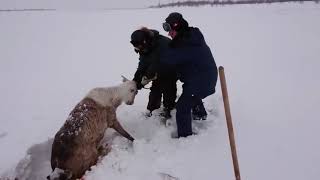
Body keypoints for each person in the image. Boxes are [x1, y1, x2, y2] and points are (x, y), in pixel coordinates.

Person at [161, 12, 218, 138]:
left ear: (178, 27)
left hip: (203, 80)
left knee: (182, 106)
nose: (169, 33)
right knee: (191, 94)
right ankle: (200, 115)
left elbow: (169, 59)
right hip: (200, 78)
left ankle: (185, 138)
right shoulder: (189, 36)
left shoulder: (187, 42)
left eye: (170, 30)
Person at [130, 27, 177, 118]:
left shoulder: (162, 43)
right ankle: (152, 110)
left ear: (145, 41)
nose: (138, 48)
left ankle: (168, 109)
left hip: (173, 68)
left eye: (139, 46)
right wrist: (136, 80)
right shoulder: (144, 47)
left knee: (168, 87)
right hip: (158, 69)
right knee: (155, 90)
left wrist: (146, 78)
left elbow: (157, 64)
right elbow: (143, 63)